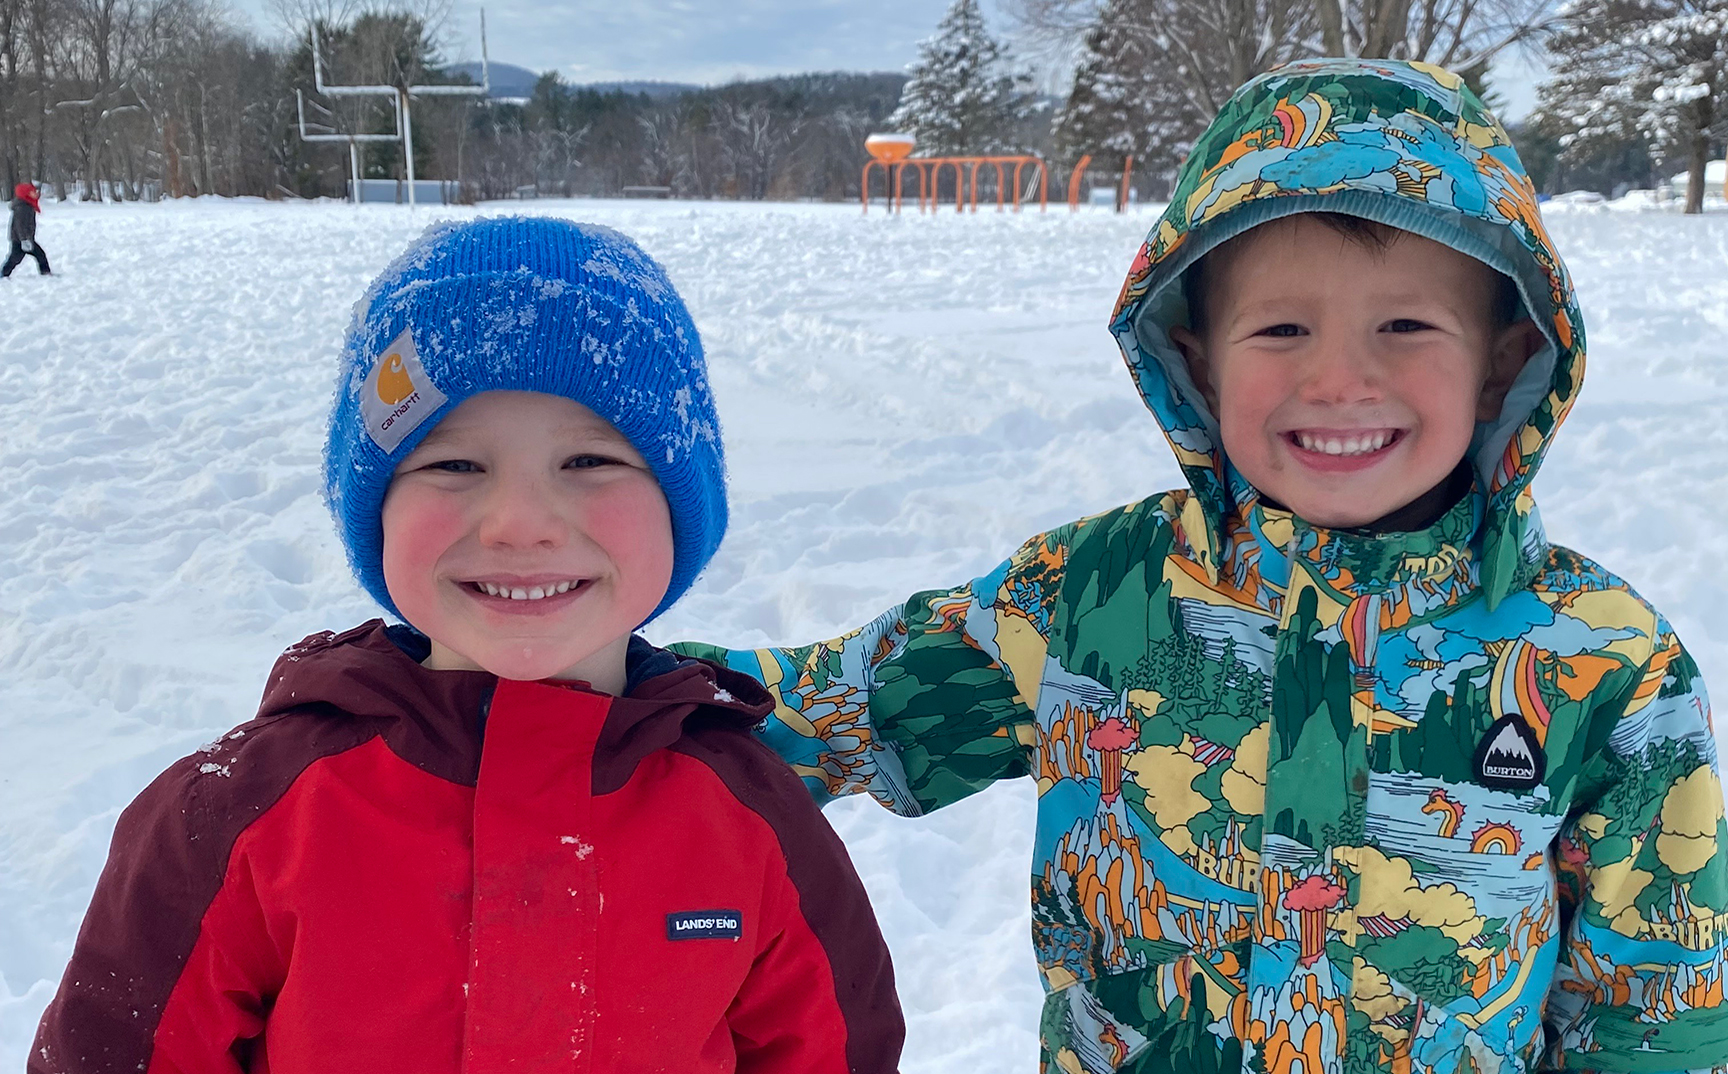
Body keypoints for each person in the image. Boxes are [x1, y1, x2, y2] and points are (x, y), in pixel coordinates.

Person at [676, 59, 1728, 1074]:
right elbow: (843, 710)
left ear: (1504, 364)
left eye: (1405, 325)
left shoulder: (1601, 659)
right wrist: (595, 691)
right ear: (1194, 358)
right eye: (1280, 328)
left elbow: (1657, 1002)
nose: (1339, 377)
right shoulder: (1090, 598)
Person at [30, 217, 904, 1074]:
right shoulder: (239, 818)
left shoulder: (751, 820)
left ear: (680, 507)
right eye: (455, 466)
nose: (519, 524)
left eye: (590, 462)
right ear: (376, 511)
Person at [5, 181, 51, 277]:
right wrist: (24, 240)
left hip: (25, 238)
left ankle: (45, 272)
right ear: (25, 194)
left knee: (36, 255)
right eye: (33, 192)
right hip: (20, 239)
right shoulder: (22, 207)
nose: (36, 193)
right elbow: (20, 225)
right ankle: (4, 274)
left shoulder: (28, 205)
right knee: (16, 258)